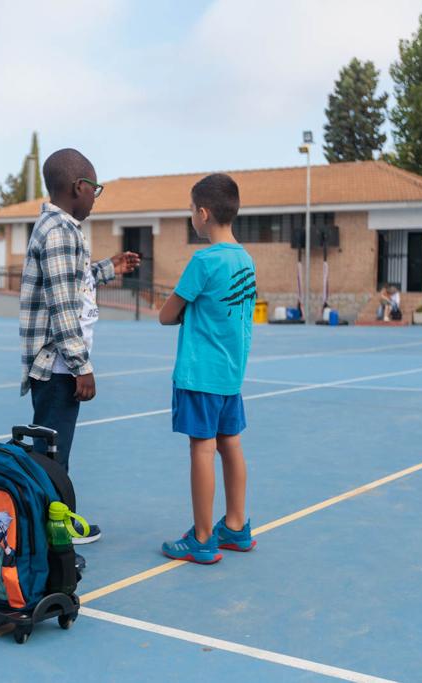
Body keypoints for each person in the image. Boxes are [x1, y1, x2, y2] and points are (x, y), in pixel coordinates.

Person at [19, 148, 140, 547]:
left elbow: (75, 280)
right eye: (96, 190)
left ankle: (55, 520)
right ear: (79, 187)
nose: (95, 198)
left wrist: (109, 269)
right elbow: (61, 303)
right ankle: (48, 533)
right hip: (58, 366)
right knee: (52, 455)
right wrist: (80, 365)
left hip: (60, 364)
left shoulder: (63, 228)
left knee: (55, 451)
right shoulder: (57, 232)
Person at [158, 173, 256, 564]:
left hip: (200, 373)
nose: (191, 219)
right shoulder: (244, 259)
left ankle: (202, 537)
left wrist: (185, 311)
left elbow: (167, 315)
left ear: (203, 214)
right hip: (231, 374)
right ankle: (235, 524)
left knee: (202, 447)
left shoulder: (204, 260)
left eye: (190, 212)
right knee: (230, 443)